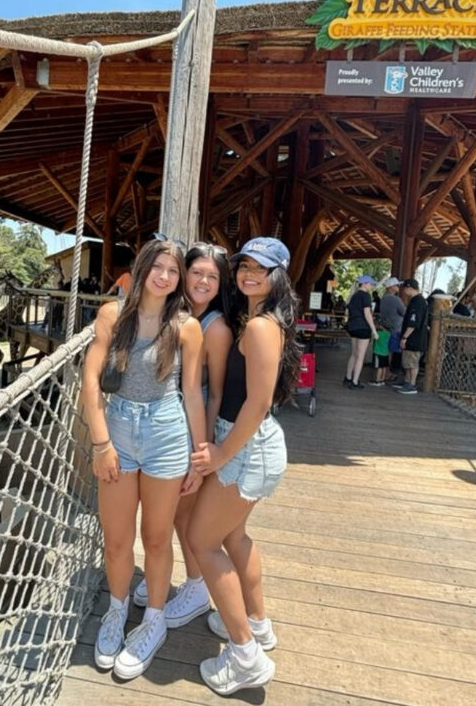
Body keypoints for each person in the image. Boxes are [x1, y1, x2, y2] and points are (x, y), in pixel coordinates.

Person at [82, 237, 206, 680]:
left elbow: (191, 393)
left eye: (174, 271)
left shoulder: (187, 327)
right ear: (143, 268)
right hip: (118, 428)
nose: (166, 276)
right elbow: (91, 377)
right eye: (159, 267)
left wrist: (199, 454)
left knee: (156, 537)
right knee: (116, 538)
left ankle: (153, 619)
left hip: (167, 433)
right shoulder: (113, 316)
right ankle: (116, 610)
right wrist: (101, 443)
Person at [187, 237, 300, 696]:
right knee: (233, 536)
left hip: (248, 445)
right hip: (259, 444)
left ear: (278, 275)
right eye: (244, 266)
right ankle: (258, 622)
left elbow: (257, 404)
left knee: (201, 539)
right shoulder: (264, 321)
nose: (249, 273)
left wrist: (218, 453)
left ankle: (245, 655)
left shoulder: (258, 328)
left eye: (261, 268)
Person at [131, 242, 234, 627]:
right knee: (172, 513)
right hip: (166, 420)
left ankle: (196, 585)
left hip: (191, 425)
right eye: (196, 273)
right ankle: (176, 579)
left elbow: (214, 392)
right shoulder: (183, 314)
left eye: (212, 276)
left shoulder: (216, 327)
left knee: (186, 515)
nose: (203, 281)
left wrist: (201, 449)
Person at [344, 275, 378, 390]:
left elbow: (348, 311)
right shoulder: (366, 296)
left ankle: (348, 378)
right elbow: (367, 314)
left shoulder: (354, 296)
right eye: (370, 283)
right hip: (363, 327)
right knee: (360, 356)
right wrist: (373, 330)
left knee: (354, 354)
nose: (371, 286)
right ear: (364, 284)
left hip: (353, 326)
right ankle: (355, 381)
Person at [394, 278, 428, 395]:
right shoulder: (415, 300)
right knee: (407, 361)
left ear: (409, 288)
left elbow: (414, 323)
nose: (403, 291)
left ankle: (412, 384)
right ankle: (407, 381)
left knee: (412, 362)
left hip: (414, 338)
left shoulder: (418, 302)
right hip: (411, 338)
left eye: (404, 288)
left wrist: (405, 337)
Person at [379, 277, 405, 373]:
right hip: (395, 329)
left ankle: (385, 372)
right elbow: (404, 312)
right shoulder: (395, 299)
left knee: (387, 352)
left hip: (386, 327)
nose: (398, 286)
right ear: (390, 287)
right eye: (396, 285)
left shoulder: (384, 298)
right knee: (392, 352)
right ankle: (389, 372)